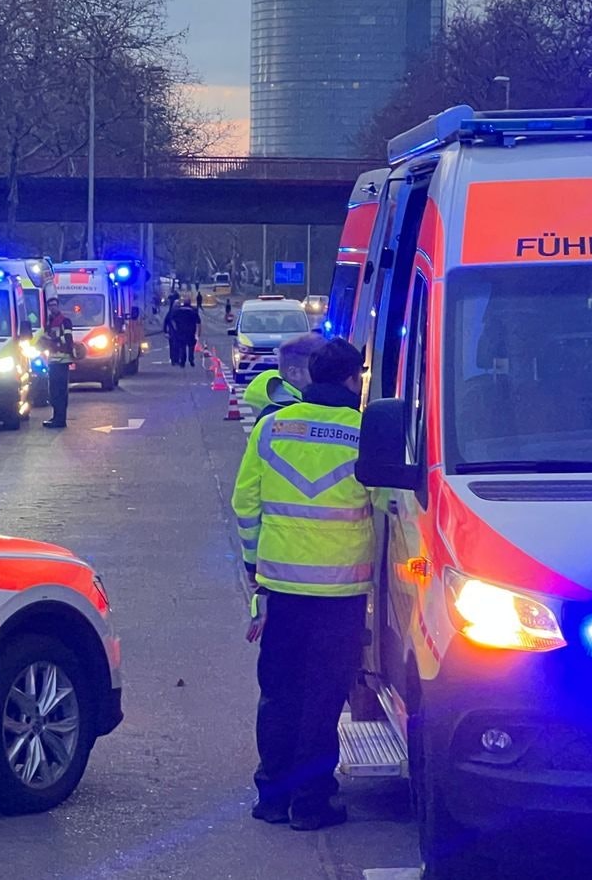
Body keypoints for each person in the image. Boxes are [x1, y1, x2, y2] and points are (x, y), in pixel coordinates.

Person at [231, 337, 374, 832]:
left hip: (281, 590)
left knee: (279, 691)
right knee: (323, 697)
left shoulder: (272, 427)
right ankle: (312, 804)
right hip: (341, 594)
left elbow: (245, 504)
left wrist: (255, 567)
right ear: (354, 380)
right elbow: (384, 509)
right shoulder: (365, 433)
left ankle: (272, 797)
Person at [242, 332, 327, 422]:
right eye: (319, 369)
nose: (331, 376)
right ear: (294, 373)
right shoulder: (285, 418)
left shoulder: (271, 415)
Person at [40, 293, 75, 428]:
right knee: (54, 392)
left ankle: (60, 420)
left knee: (60, 392)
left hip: (62, 361)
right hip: (53, 361)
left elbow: (68, 339)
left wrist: (52, 341)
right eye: (50, 306)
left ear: (58, 306)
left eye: (54, 305)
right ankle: (56, 417)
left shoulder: (65, 321)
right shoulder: (49, 322)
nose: (52, 308)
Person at [169, 301, 202, 367]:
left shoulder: (178, 311)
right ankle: (191, 360)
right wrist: (198, 333)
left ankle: (183, 361)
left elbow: (172, 319)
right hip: (191, 331)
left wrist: (175, 327)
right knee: (191, 347)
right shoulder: (193, 311)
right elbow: (198, 322)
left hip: (181, 331)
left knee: (182, 347)